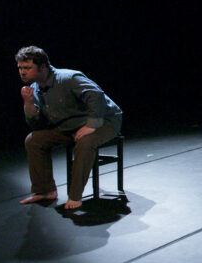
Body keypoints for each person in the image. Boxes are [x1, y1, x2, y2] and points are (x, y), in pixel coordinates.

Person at [16, 46, 123, 210]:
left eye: (27, 68)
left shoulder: (68, 78)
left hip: (105, 121)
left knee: (85, 142)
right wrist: (29, 104)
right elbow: (37, 126)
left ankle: (75, 196)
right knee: (34, 140)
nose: (22, 72)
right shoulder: (35, 89)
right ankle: (45, 191)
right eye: (20, 68)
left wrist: (91, 125)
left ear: (42, 66)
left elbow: (96, 95)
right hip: (69, 126)